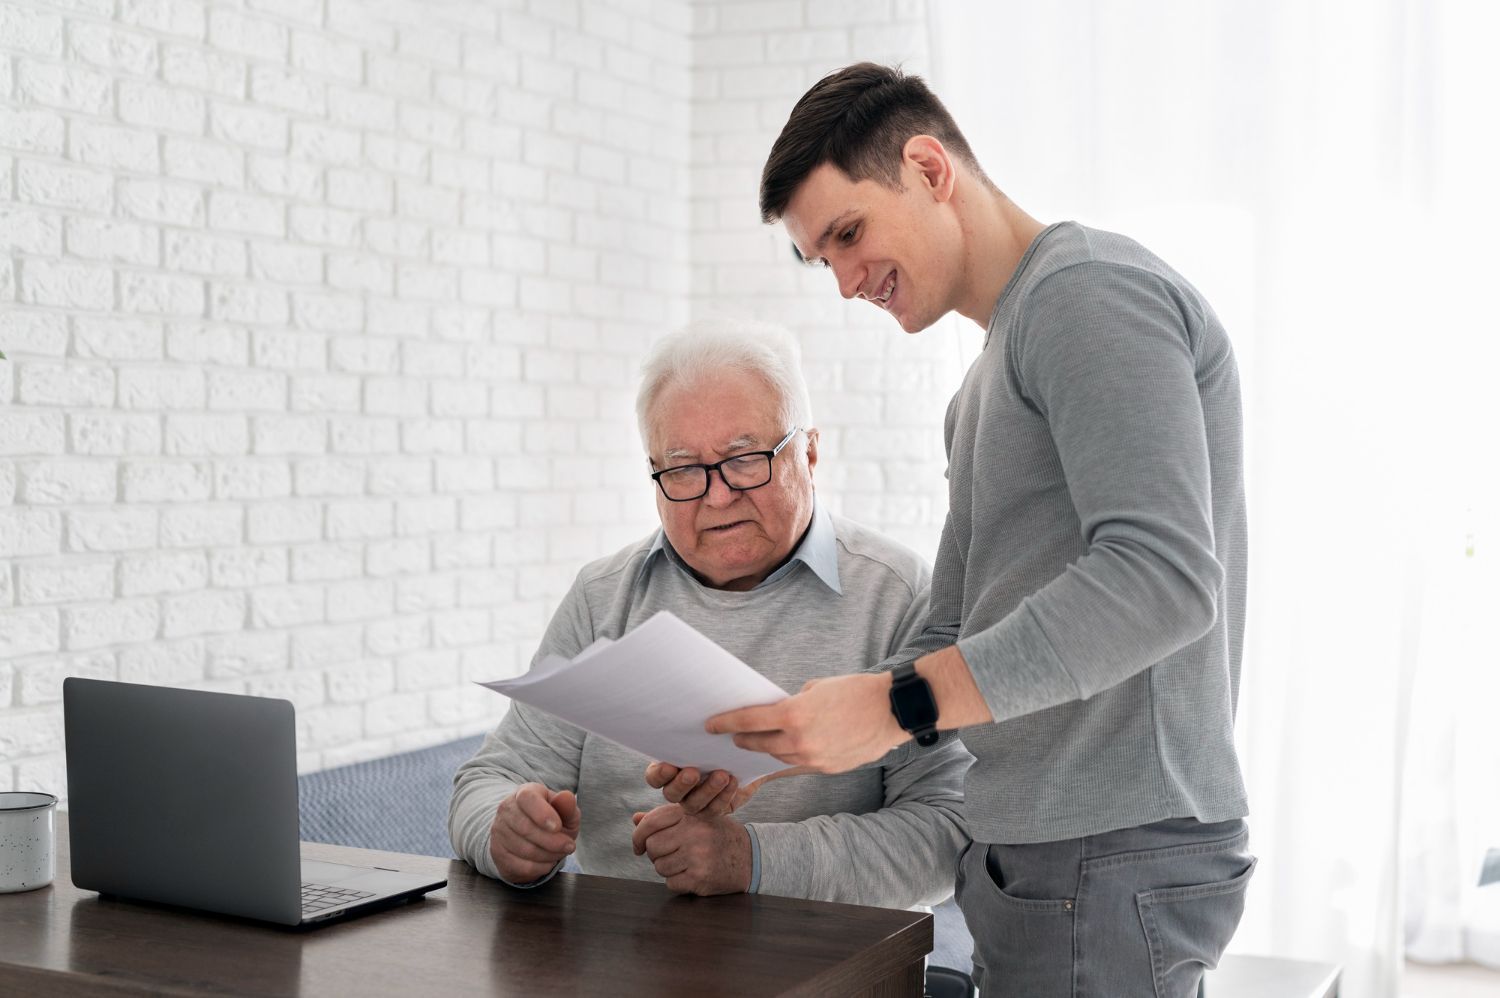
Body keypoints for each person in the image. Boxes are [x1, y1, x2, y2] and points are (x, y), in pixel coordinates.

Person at [690, 63, 1254, 996]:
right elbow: (955, 623)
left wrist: (894, 706)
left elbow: (1162, 578)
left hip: (1106, 854)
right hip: (1040, 861)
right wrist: (776, 738)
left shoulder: (1088, 296)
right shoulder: (985, 381)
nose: (843, 282)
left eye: (848, 233)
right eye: (820, 259)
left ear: (928, 167)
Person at [449, 318, 970, 908]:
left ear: (810, 453)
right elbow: (487, 779)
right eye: (681, 469)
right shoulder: (603, 595)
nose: (717, 495)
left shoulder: (898, 595)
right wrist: (503, 832)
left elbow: (950, 830)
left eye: (745, 458)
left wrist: (749, 859)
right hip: (617, 967)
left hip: (832, 968)